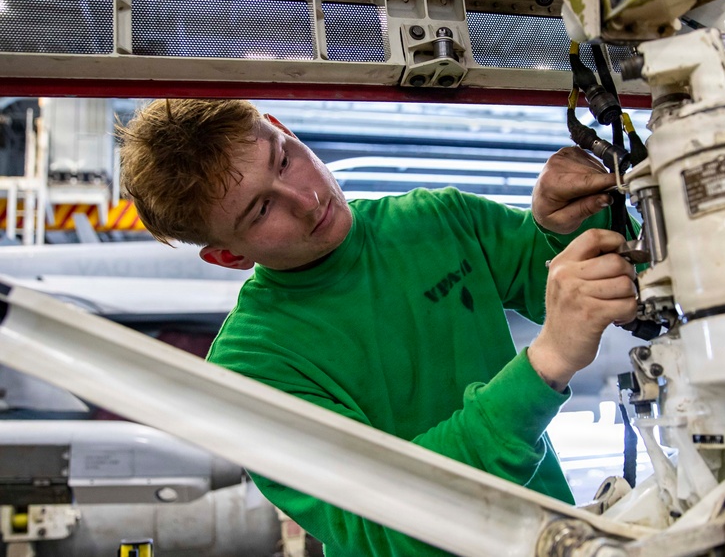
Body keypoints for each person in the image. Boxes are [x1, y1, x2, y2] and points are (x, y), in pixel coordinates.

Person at [118, 99, 637, 556]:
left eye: (284, 159)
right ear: (230, 255)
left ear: (284, 128)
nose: (306, 198)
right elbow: (385, 529)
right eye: (261, 210)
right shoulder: (251, 371)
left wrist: (568, 223)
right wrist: (544, 366)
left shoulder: (435, 220)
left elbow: (583, 278)